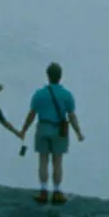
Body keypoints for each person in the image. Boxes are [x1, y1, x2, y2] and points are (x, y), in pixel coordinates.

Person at [18, 61, 84, 204]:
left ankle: (42, 191)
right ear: (60, 76)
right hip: (60, 130)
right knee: (57, 161)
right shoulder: (66, 95)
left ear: (47, 76)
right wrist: (78, 132)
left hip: (43, 127)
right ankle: (57, 191)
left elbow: (32, 114)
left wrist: (23, 129)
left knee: (43, 160)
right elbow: (71, 116)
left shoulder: (39, 94)